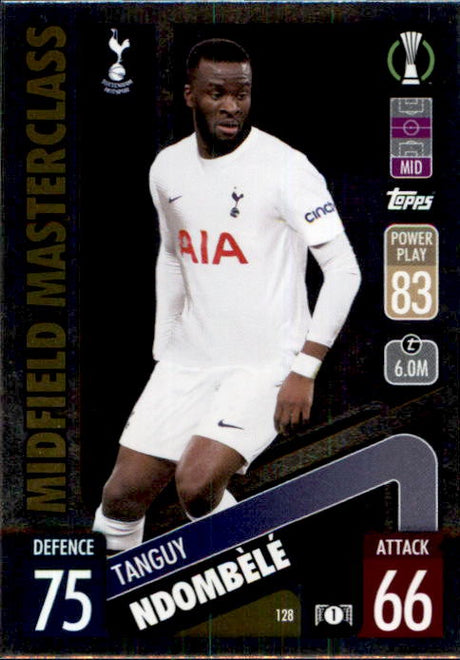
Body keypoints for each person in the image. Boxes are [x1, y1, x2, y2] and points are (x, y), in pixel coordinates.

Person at [93, 38, 361, 552]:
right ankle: (110, 596)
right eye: (217, 93)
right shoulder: (167, 168)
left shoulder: (287, 168)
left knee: (196, 486)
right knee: (121, 496)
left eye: (242, 93)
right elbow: (173, 255)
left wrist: (304, 369)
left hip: (266, 363)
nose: (232, 106)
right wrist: (165, 346)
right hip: (190, 360)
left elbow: (344, 270)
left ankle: (260, 568)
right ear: (189, 95)